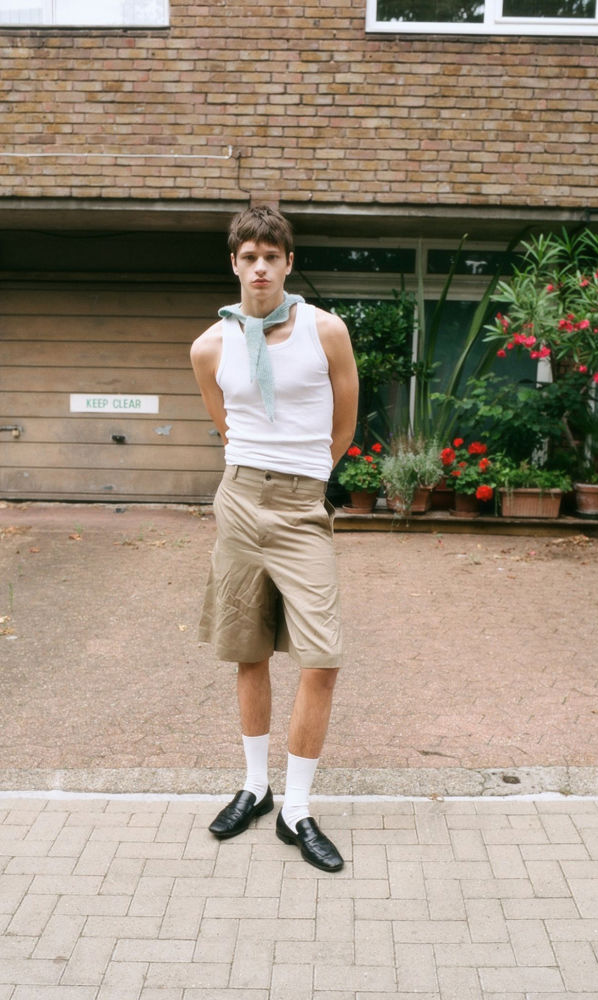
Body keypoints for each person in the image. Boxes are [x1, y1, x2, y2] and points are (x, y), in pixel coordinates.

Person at [190, 206, 358, 872]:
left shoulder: (326, 331)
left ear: (289, 263)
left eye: (271, 256)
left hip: (301, 506)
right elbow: (227, 425)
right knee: (248, 648)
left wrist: (306, 479)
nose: (260, 267)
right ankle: (256, 788)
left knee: (322, 658)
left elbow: (344, 423)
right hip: (239, 501)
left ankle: (298, 808)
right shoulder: (209, 346)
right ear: (234, 264)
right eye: (248, 257)